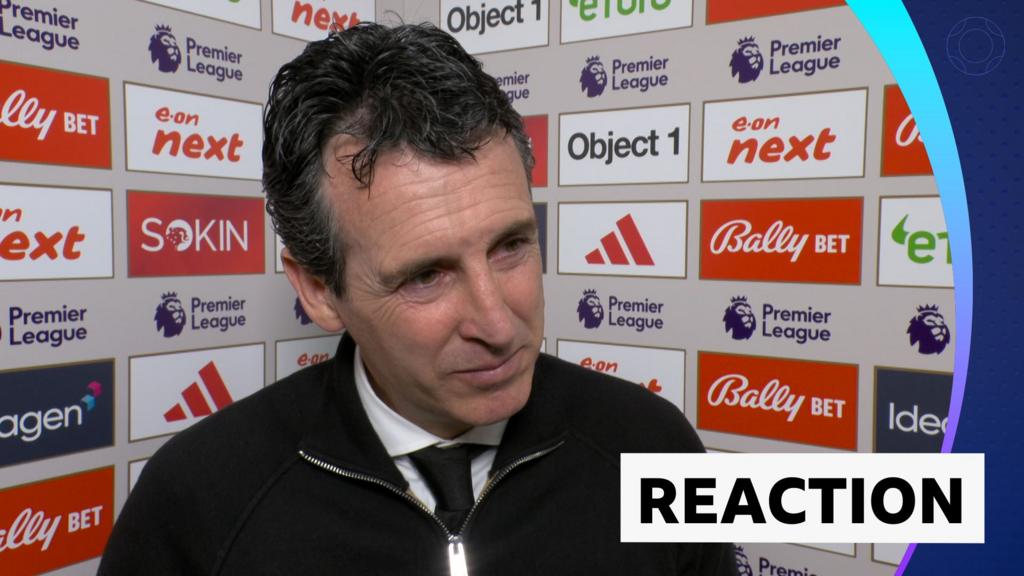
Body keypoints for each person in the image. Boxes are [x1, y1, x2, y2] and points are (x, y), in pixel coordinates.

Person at [99, 23, 738, 575]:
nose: (498, 322)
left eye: (511, 245)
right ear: (318, 290)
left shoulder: (653, 447)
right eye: (426, 276)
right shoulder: (198, 503)